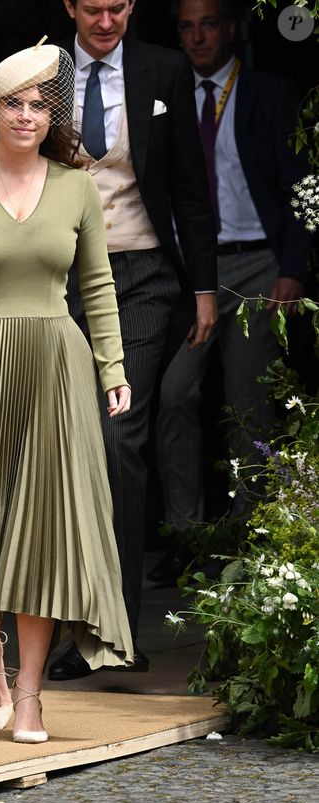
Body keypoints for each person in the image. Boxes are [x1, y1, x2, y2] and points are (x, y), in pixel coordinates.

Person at [0, 41, 134, 744]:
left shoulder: (77, 188)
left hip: (55, 368)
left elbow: (97, 287)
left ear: (53, 115)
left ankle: (34, 697)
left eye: (38, 104)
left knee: (43, 533)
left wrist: (113, 368)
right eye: (12, 103)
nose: (25, 115)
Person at [49, 0, 218, 681]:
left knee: (119, 439)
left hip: (143, 274)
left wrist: (203, 286)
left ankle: (113, 631)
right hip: (56, 277)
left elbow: (187, 184)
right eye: (92, 8)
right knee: (67, 445)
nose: (106, 20)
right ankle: (63, 628)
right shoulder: (45, 70)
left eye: (118, 6)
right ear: (70, 7)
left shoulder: (163, 69)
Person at [150, 0, 311, 585]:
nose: (197, 37)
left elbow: (302, 181)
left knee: (248, 402)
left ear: (230, 28)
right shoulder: (164, 92)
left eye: (208, 24)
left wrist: (292, 268)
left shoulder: (270, 91)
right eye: (186, 26)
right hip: (192, 267)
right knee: (173, 395)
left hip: (254, 264)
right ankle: (186, 537)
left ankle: (252, 537)